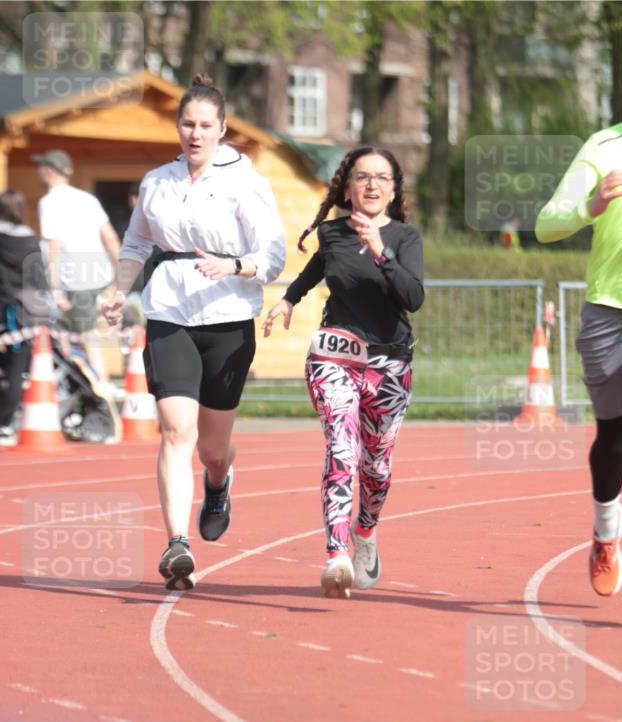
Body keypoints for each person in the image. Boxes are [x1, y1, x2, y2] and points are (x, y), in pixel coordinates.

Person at [103, 73, 286, 591]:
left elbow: (273, 256)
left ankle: (219, 482)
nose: (196, 133)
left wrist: (234, 265)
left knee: (210, 447)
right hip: (168, 312)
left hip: (228, 319)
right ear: (177, 127)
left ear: (223, 129)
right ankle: (176, 545)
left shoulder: (247, 183)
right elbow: (137, 243)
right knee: (174, 431)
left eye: (207, 125)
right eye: (188, 123)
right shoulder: (158, 181)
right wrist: (119, 290)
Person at [263, 146, 424, 598]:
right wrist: (288, 299)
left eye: (381, 178)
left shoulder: (406, 238)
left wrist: (379, 251)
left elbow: (413, 298)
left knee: (376, 467)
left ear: (393, 191)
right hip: (335, 355)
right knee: (342, 448)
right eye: (362, 177)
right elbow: (317, 268)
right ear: (347, 187)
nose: (372, 185)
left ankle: (365, 532)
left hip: (390, 362)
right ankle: (336, 553)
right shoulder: (332, 233)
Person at [536, 39, 622, 593]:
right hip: (610, 313)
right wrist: (592, 206)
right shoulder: (605, 146)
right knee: (615, 438)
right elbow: (546, 224)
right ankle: (606, 526)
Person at [33, 148, 121, 382]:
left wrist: (53, 287)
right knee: (91, 338)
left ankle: (102, 395)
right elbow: (110, 237)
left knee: (86, 340)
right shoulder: (88, 198)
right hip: (103, 277)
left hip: (77, 281)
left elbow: (54, 246)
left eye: (41, 166)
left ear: (49, 170)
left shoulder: (49, 202)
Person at [0, 190, 52, 445]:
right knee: (16, 369)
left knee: (8, 367)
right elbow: (39, 279)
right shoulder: (30, 241)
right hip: (21, 314)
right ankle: (4, 424)